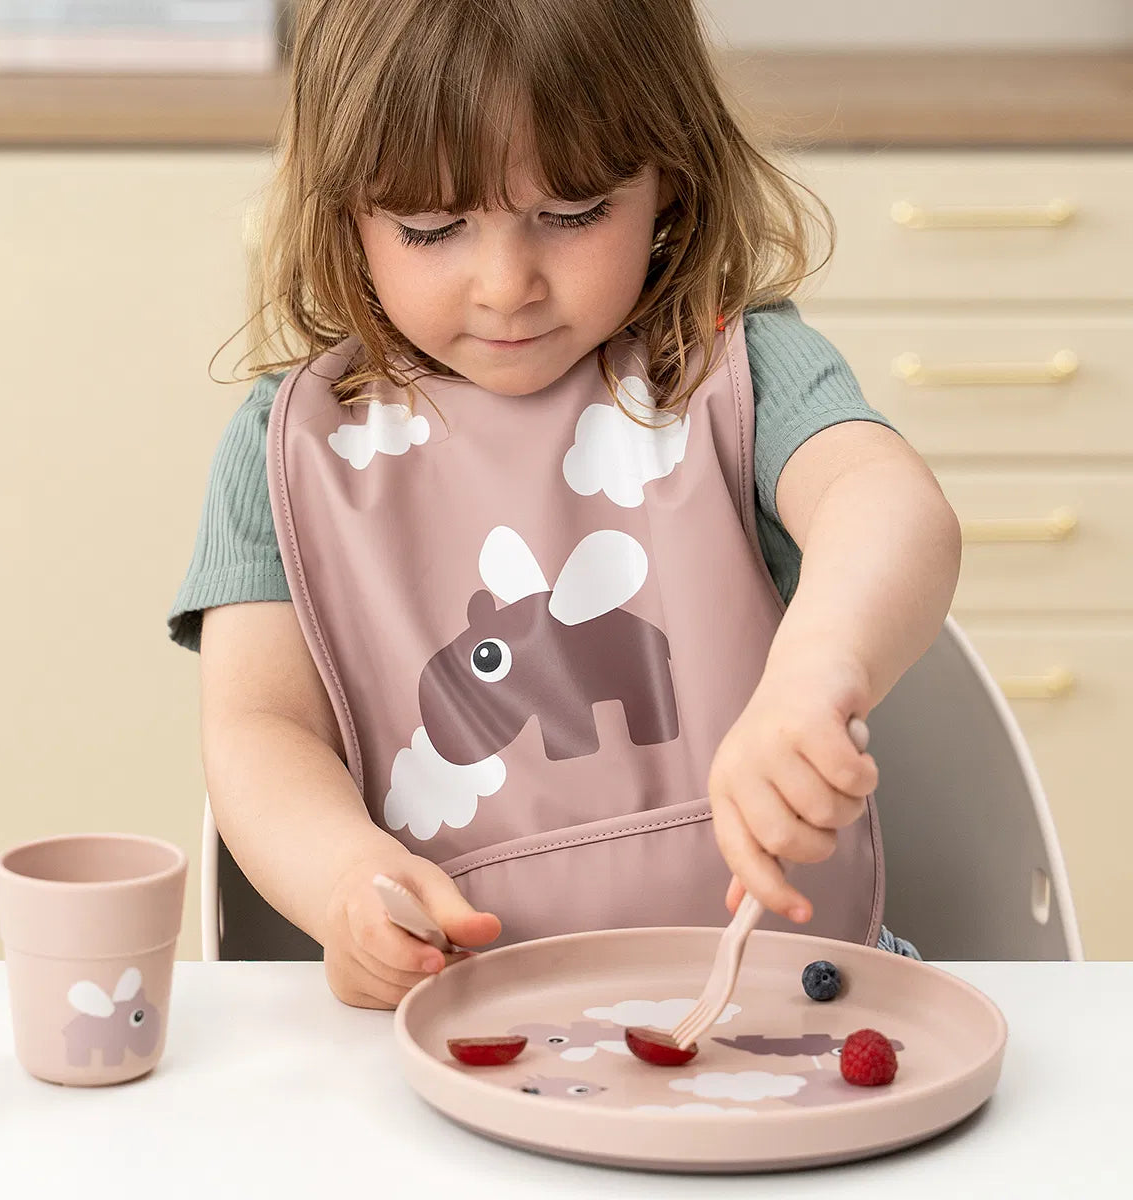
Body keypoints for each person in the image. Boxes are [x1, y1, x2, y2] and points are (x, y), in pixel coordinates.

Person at [169, 0, 960, 1009]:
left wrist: (816, 676)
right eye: (430, 227)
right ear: (345, 218)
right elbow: (259, 727)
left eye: (575, 211)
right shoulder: (289, 448)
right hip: (461, 1028)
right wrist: (340, 882)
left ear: (670, 175)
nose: (507, 285)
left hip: (780, 1005)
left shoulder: (738, 368)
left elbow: (888, 505)